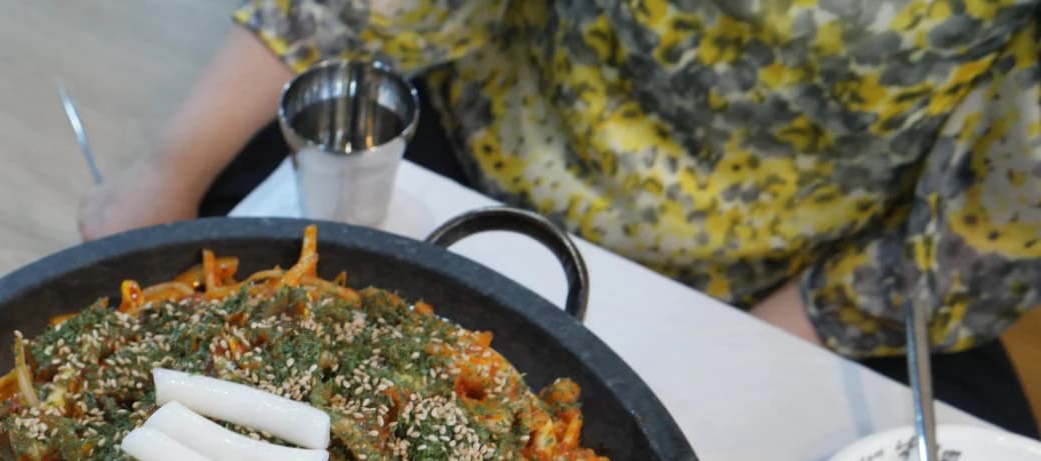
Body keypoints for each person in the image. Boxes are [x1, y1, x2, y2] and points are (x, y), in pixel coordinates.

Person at [79, 2, 1041, 436]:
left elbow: (1004, 200)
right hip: (484, 157)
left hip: (813, 275)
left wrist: (740, 358)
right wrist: (168, 170)